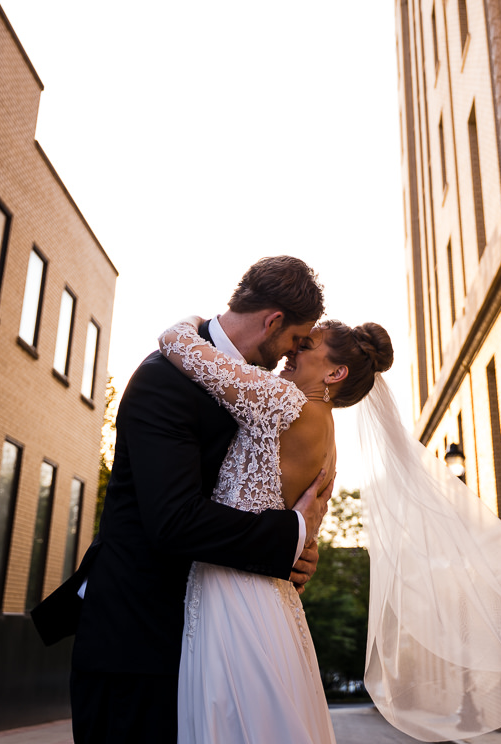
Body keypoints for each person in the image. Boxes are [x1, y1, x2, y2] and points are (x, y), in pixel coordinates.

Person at [33, 256, 332, 744]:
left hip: (205, 645)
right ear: (273, 321)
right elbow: (173, 520)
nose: (291, 356)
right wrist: (288, 537)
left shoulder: (252, 390)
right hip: (137, 643)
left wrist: (299, 549)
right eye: (296, 340)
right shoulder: (164, 380)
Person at [156, 312, 394, 744]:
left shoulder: (283, 402)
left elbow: (173, 342)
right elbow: (306, 525)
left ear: (335, 371)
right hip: (272, 596)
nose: (293, 349)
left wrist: (197, 320)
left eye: (307, 345)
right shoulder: (329, 438)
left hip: (233, 592)